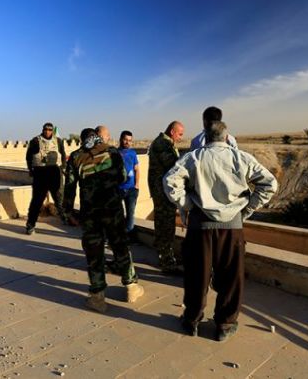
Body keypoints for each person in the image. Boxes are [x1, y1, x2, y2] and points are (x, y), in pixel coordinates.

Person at [164, 121, 277, 341]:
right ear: (226, 137)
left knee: (197, 276)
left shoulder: (193, 157)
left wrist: (187, 204)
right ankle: (225, 325)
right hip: (232, 229)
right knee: (231, 278)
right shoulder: (241, 158)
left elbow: (169, 181)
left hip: (200, 227)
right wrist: (248, 208)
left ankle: (191, 321)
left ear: (206, 137)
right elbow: (269, 184)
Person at [63, 128, 144, 312]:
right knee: (120, 246)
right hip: (112, 209)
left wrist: (68, 212)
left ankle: (98, 298)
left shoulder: (76, 157)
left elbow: (69, 188)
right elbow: (123, 176)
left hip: (90, 214)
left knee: (94, 252)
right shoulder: (113, 152)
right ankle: (131, 287)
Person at [147, 120, 185, 273]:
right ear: (172, 132)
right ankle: (167, 261)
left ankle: (165, 254)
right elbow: (174, 166)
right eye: (180, 134)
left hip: (161, 190)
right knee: (166, 225)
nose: (181, 138)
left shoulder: (164, 142)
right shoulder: (163, 144)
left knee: (163, 223)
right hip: (162, 192)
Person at [25, 122, 67, 234]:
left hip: (54, 172)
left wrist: (63, 167)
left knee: (59, 197)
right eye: (46, 129)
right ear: (43, 130)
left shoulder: (58, 141)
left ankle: (64, 216)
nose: (47, 131)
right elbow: (29, 157)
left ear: (52, 131)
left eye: (50, 130)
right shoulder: (35, 141)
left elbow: (63, 154)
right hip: (41, 173)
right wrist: (31, 169)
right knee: (37, 201)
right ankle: (30, 224)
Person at [118, 130, 140, 244]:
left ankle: (129, 237)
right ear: (121, 139)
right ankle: (119, 236)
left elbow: (137, 169)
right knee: (118, 214)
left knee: (130, 213)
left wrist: (136, 185)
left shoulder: (133, 153)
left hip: (131, 189)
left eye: (130, 140)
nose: (127, 142)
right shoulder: (115, 153)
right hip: (118, 189)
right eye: (126, 140)